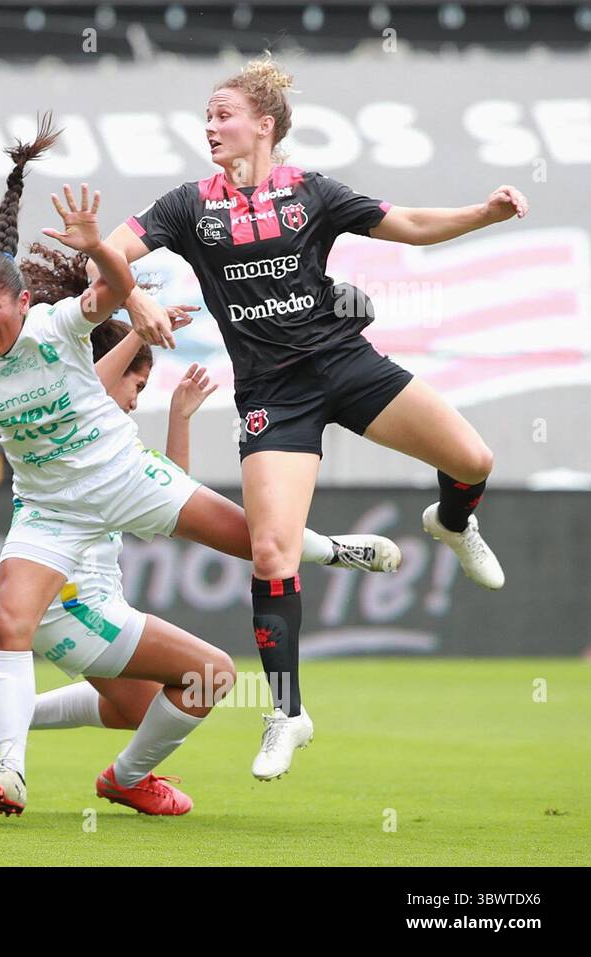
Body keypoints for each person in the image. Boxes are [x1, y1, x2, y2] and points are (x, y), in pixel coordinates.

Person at [0, 118, 396, 817]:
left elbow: (111, 292)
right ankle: (11, 771)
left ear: (23, 302)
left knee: (266, 543)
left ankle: (324, 578)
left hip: (125, 476)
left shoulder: (58, 329)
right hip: (51, 507)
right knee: (8, 621)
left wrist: (103, 255)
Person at [96, 54, 529, 780]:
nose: (210, 126)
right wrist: (132, 298)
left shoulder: (312, 191)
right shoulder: (185, 206)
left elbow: (410, 222)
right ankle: (288, 711)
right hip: (273, 394)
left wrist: (483, 213)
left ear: (264, 125)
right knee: (272, 551)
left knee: (474, 459)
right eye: (206, 115)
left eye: (223, 114)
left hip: (346, 365)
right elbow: (105, 253)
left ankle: (451, 522)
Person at [0, 259, 396, 814]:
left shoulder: (90, 443)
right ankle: (125, 779)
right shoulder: (70, 390)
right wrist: (134, 320)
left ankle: (10, 712)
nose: (135, 399)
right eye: (137, 384)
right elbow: (97, 380)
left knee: (138, 708)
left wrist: (178, 416)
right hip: (70, 603)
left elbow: (168, 507)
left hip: (65, 605)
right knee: (209, 676)